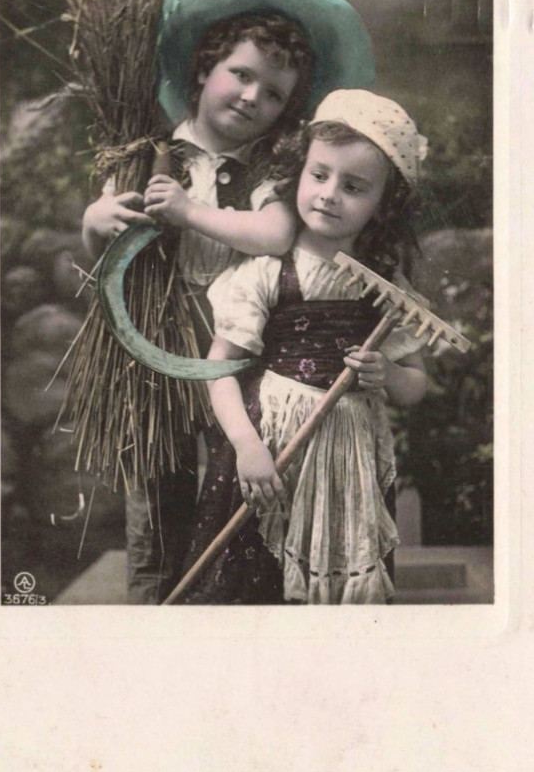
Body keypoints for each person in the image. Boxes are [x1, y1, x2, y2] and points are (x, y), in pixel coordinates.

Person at [80, 0, 377, 603]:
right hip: (154, 357)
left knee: (225, 505)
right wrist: (94, 222)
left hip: (239, 353)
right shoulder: (144, 154)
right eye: (240, 75)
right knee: (157, 513)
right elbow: (106, 262)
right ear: (204, 70)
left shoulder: (272, 172)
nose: (250, 97)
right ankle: (153, 619)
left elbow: (272, 235)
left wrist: (189, 213)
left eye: (272, 94)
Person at [180, 88, 429, 605]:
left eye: (354, 186)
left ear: (384, 203)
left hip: (347, 463)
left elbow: (414, 388)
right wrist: (247, 447)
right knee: (252, 581)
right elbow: (218, 366)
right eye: (319, 175)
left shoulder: (385, 283)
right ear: (301, 171)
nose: (329, 194)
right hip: (268, 450)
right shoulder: (269, 270)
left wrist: (387, 374)